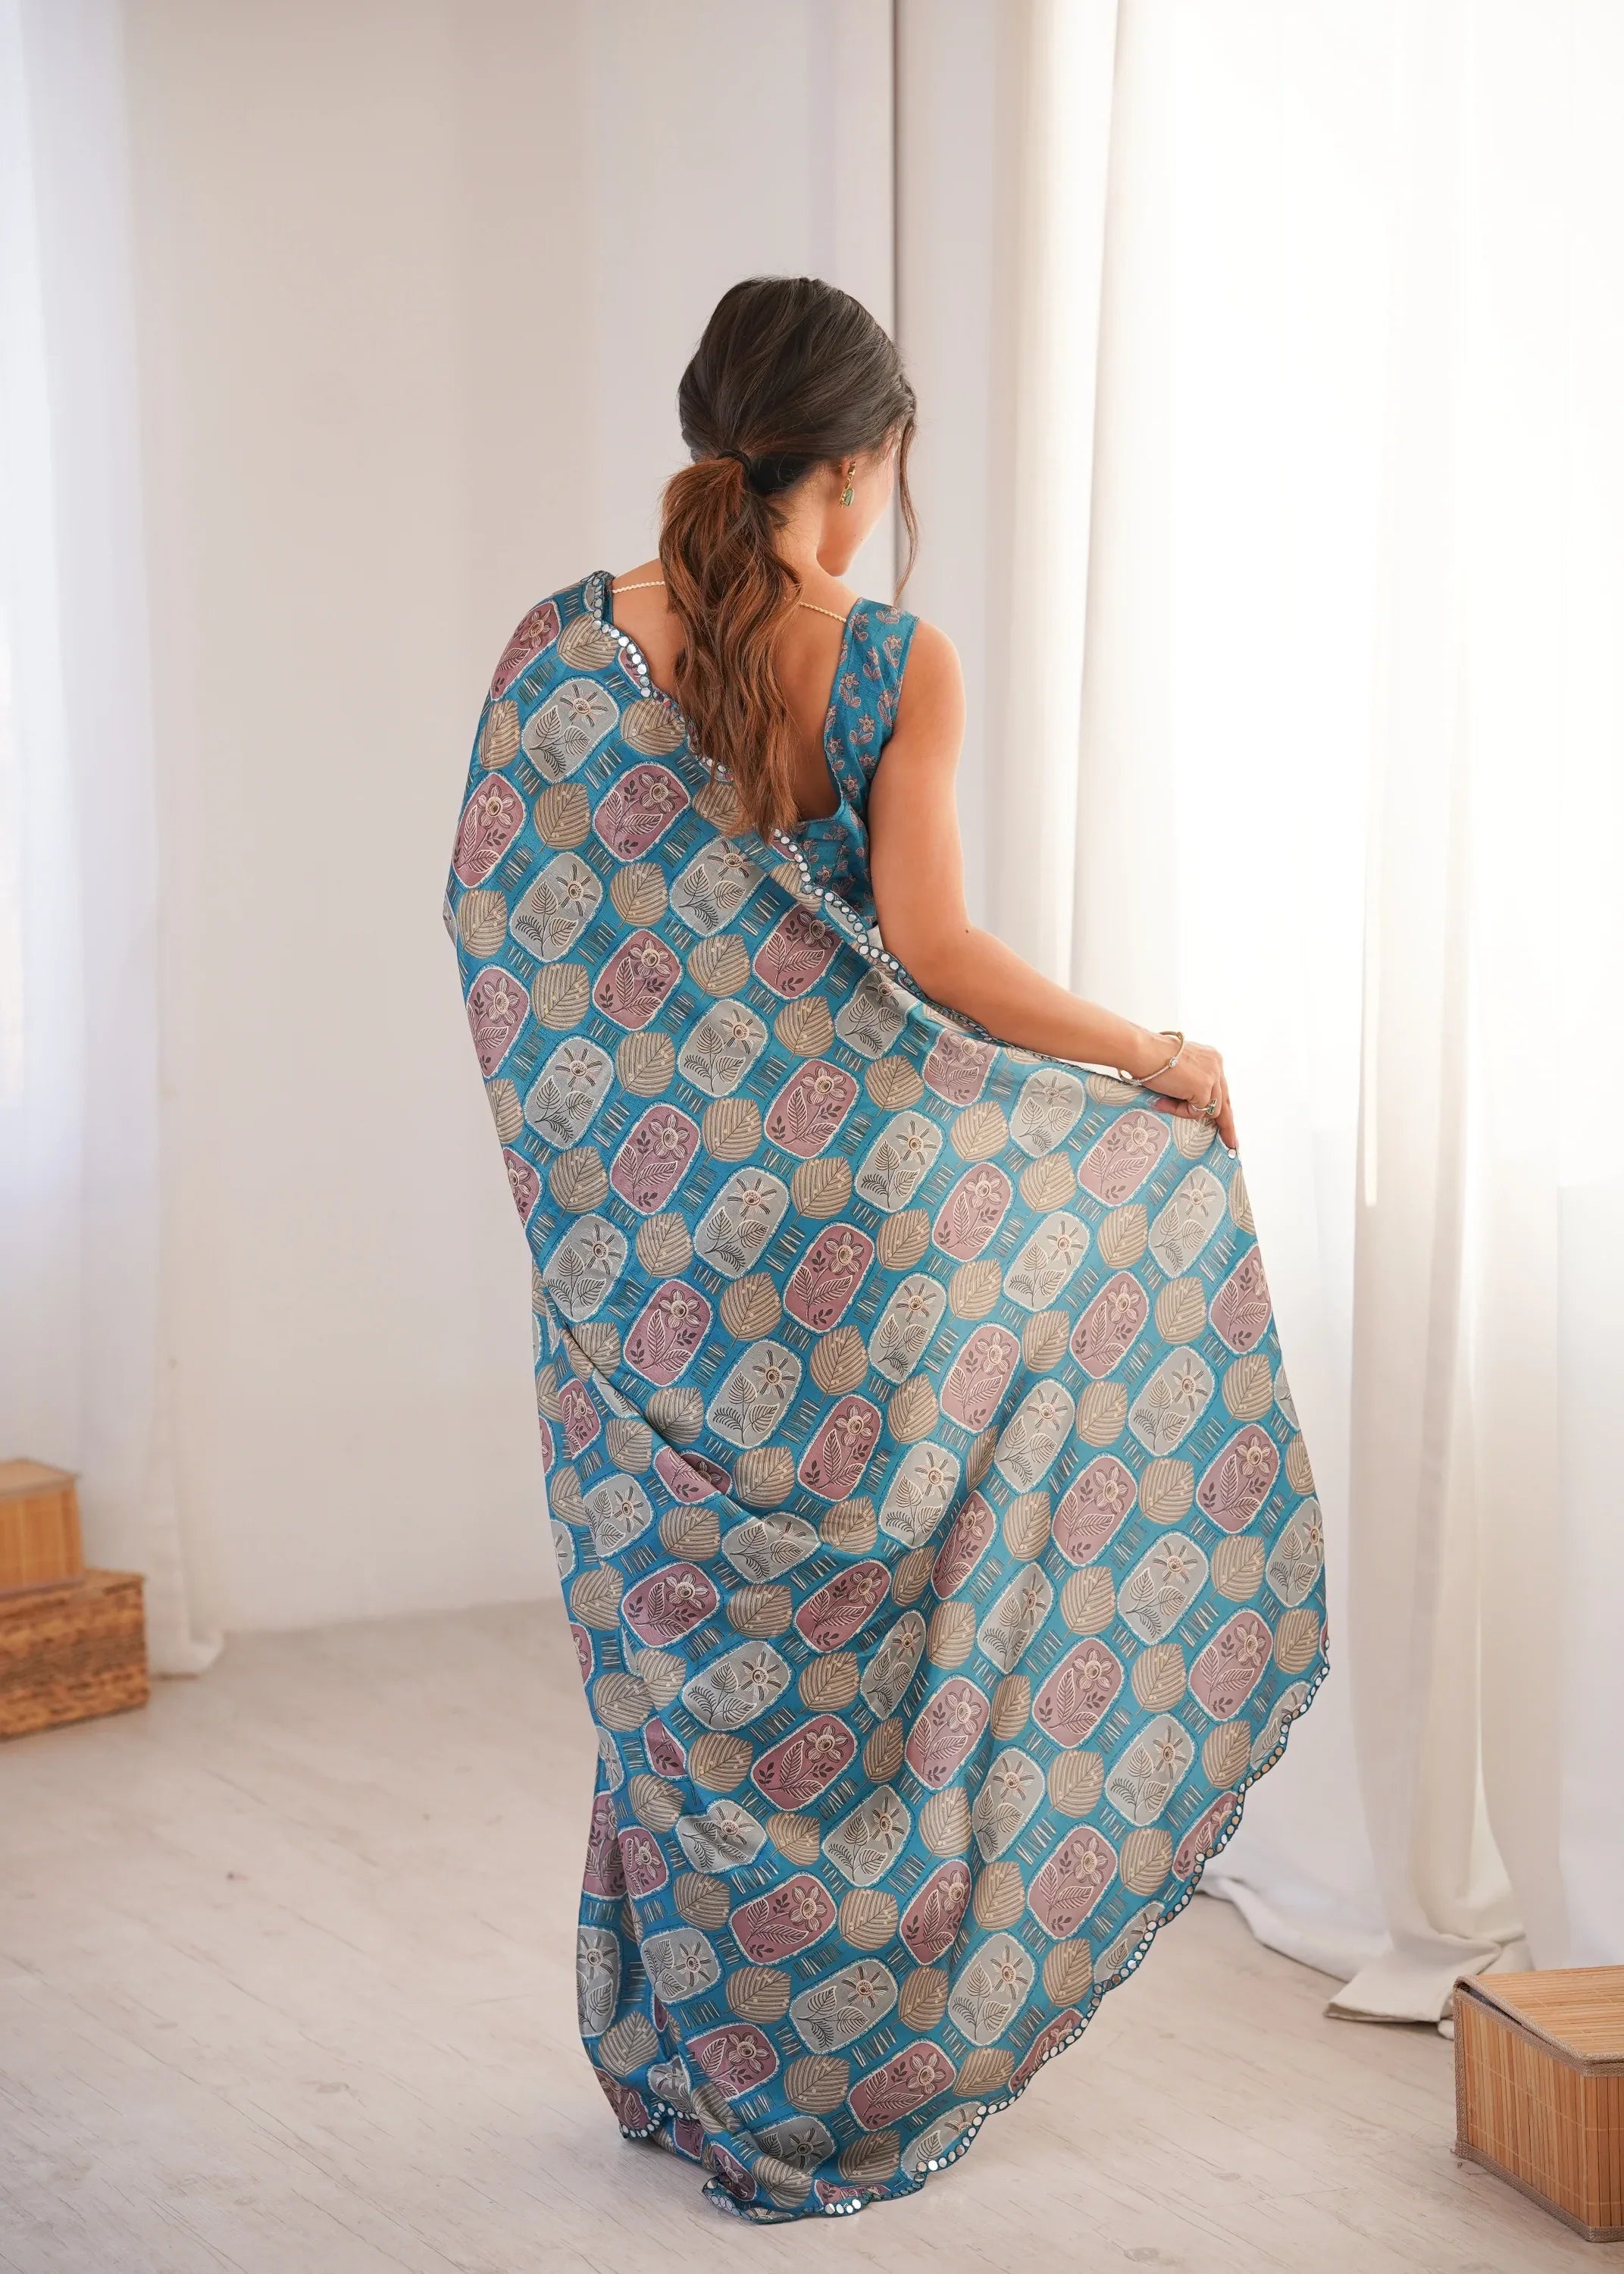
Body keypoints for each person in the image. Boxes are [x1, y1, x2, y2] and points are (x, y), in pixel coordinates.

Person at [446, 277, 1327, 2223]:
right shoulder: (885, 660)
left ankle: (695, 2073)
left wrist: (610, 1207)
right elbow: (930, 955)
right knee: (867, 1660)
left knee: (692, 1664)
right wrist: (1157, 1061)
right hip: (872, 1249)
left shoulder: (553, 650)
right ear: (864, 457)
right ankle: (845, 2075)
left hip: (656, 1274)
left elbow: (504, 936)